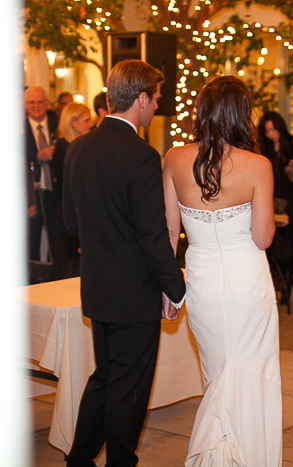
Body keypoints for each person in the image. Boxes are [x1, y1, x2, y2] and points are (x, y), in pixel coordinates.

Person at [63, 59, 186, 467]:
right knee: (129, 387)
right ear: (140, 99)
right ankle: (119, 462)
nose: (158, 106)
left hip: (97, 287)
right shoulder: (142, 155)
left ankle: (78, 459)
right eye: (156, 99)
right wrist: (176, 287)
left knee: (105, 378)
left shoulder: (78, 147)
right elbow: (152, 235)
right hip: (134, 294)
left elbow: (68, 222)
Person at [163, 76, 281, 466]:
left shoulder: (174, 159)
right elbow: (263, 238)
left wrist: (167, 287)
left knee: (218, 376)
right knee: (249, 375)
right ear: (241, 115)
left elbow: (169, 232)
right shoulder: (258, 165)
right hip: (249, 285)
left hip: (203, 284)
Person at [257, 111, 293, 289]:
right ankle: (273, 272)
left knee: (291, 236)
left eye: (274, 130)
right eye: (267, 131)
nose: (271, 134)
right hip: (269, 197)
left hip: (290, 199)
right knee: (270, 237)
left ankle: (290, 273)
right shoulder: (263, 147)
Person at [51, 102, 92, 280]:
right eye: (86, 120)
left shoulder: (82, 145)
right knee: (69, 263)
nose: (90, 124)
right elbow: (65, 184)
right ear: (72, 122)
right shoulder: (62, 147)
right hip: (69, 209)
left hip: (81, 209)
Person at [24, 85, 58, 263]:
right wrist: (37, 157)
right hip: (33, 194)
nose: (36, 105)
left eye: (40, 101)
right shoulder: (18, 130)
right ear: (25, 104)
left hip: (55, 192)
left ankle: (56, 278)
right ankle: (36, 280)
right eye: (31, 102)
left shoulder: (57, 124)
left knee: (57, 241)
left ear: (47, 103)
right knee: (33, 242)